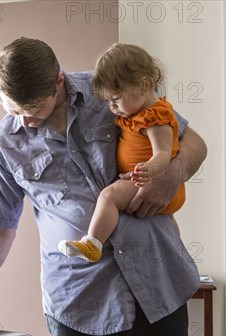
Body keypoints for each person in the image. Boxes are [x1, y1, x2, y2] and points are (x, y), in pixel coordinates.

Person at [0, 37, 207, 336]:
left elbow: (193, 142)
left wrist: (173, 174)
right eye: (13, 111)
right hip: (76, 297)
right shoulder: (3, 144)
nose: (25, 121)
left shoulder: (109, 88)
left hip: (156, 278)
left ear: (58, 80)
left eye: (33, 108)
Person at [58, 43, 185, 263]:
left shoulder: (155, 117)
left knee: (109, 196)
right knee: (167, 222)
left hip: (149, 179)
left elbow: (164, 153)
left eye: (116, 99)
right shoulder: (136, 113)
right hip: (142, 178)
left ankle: (92, 244)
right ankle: (175, 255)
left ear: (144, 85)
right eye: (108, 101)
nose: (112, 107)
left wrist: (149, 170)